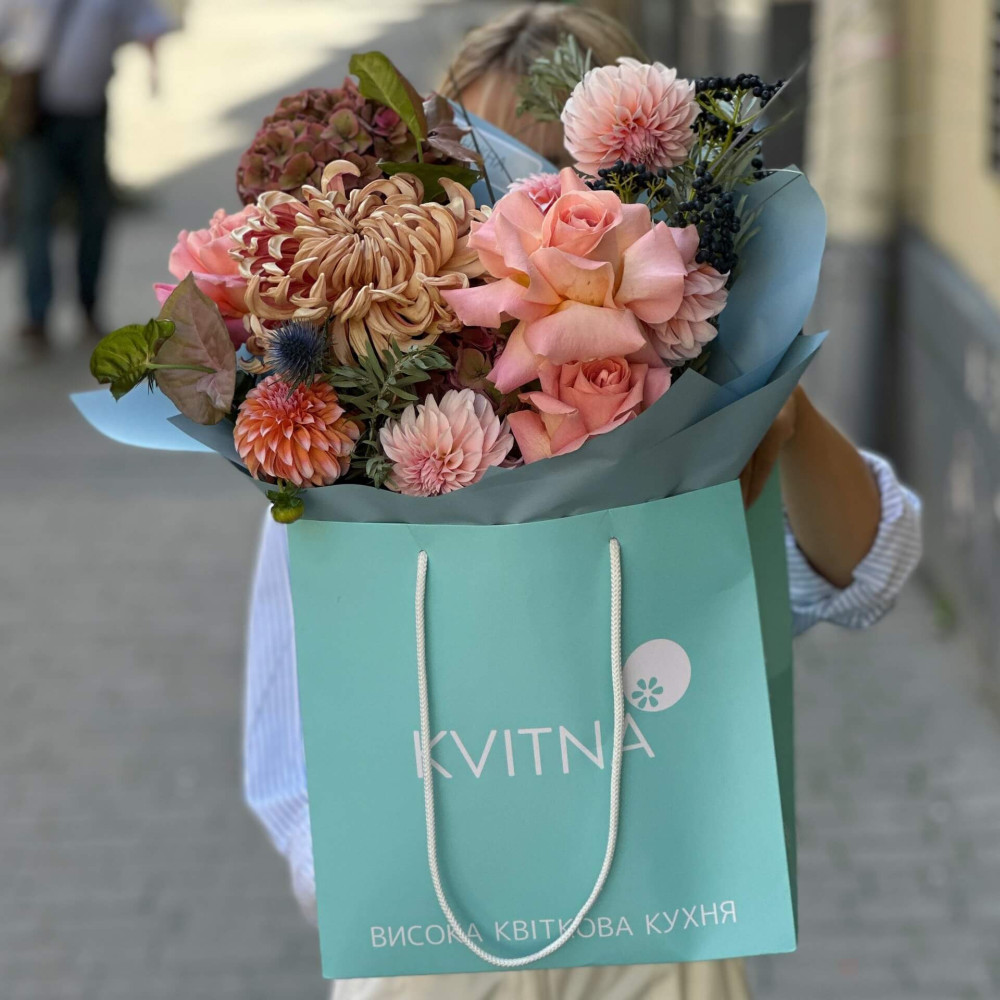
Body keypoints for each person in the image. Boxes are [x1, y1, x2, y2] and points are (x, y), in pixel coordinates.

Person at [243, 5, 922, 999]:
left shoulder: (693, 413)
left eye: (554, 179)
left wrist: (771, 389)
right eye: (480, 179)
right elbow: (288, 735)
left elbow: (869, 571)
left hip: (659, 926)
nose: (516, 216)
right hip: (437, 923)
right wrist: (368, 874)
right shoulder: (361, 435)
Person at [0, 0, 174, 351]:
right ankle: (37, 315)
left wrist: (154, 67)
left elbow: (149, 22)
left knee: (93, 213)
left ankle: (89, 307)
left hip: (89, 114)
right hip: (37, 117)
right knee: (35, 213)